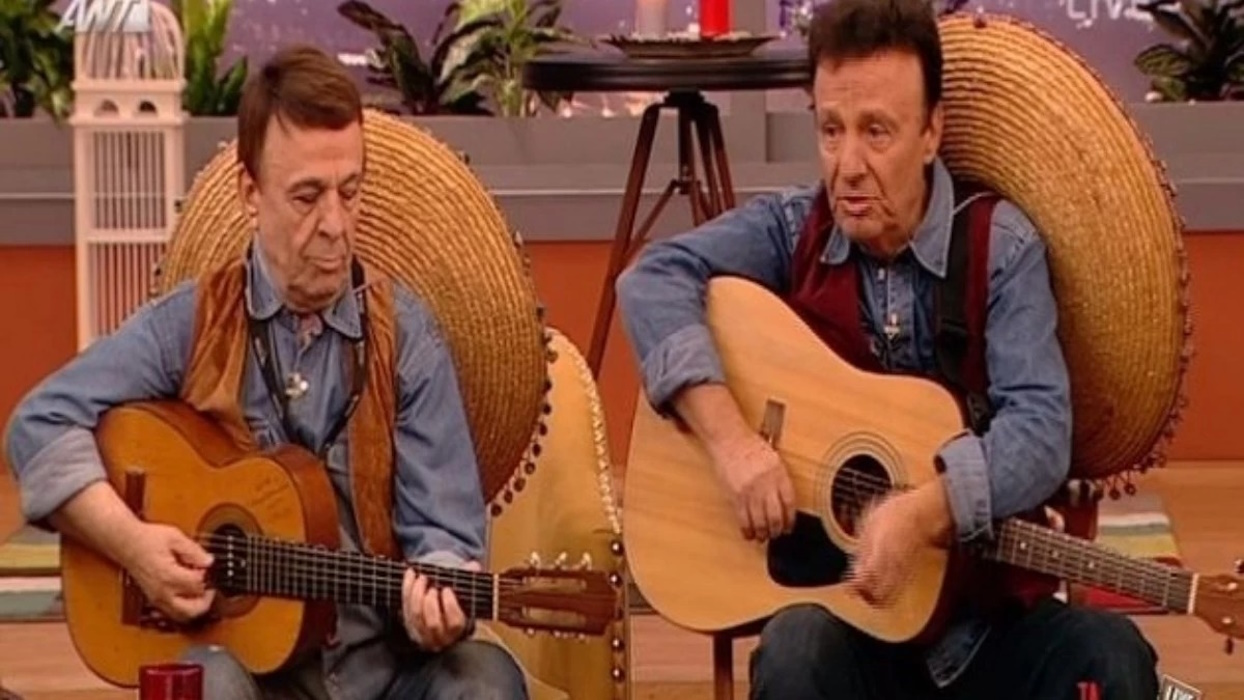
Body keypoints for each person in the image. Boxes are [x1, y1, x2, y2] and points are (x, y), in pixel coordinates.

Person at [614, 0, 1159, 698]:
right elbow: (652, 279)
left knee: (1114, 658)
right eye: (830, 130)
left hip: (984, 628)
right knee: (793, 651)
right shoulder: (793, 229)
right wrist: (734, 445)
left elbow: (1041, 431)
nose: (847, 165)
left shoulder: (1002, 248)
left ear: (932, 132)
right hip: (845, 627)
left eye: (876, 132)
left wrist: (924, 511)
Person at [3, 44, 526, 700]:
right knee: (207, 682)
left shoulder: (408, 339)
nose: (335, 224)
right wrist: (134, 545)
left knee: (486, 679)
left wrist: (439, 604)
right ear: (250, 193)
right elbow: (38, 423)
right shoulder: (191, 323)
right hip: (249, 678)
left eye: (350, 192)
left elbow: (445, 535)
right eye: (307, 196)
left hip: (383, 678)